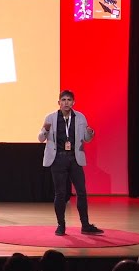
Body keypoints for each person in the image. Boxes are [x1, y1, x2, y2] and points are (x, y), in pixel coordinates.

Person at [38, 90, 103, 236]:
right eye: (63, 100)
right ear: (59, 102)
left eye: (69, 100)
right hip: (58, 159)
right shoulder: (50, 117)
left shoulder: (80, 117)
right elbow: (41, 138)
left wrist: (90, 133)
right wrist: (45, 130)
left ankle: (85, 225)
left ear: (73, 102)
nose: (66, 102)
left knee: (81, 192)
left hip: (75, 158)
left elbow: (86, 139)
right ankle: (61, 225)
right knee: (60, 193)